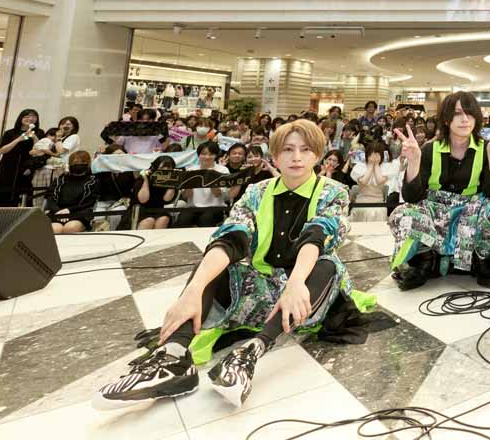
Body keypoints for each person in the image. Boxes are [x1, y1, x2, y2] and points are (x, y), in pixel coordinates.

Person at [94, 119, 375, 411]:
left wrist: (295, 283)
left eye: (305, 150)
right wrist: (194, 289)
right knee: (213, 260)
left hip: (305, 294)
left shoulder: (334, 192)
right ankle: (175, 356)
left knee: (327, 264)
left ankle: (250, 352)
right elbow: (232, 237)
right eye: (288, 149)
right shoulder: (257, 191)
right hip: (260, 289)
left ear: (316, 155)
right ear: (275, 157)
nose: (296, 157)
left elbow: (318, 235)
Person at [388, 91, 490, 289]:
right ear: (446, 119)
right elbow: (413, 197)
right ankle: (425, 260)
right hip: (435, 214)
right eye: (457, 114)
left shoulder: (486, 148)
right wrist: (413, 162)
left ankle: (481, 259)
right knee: (401, 214)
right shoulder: (431, 149)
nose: (464, 119)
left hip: (470, 216)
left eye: (469, 113)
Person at [43, 151, 98, 233]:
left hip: (80, 212)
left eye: (82, 162)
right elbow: (50, 198)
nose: (78, 164)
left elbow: (90, 202)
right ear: (70, 164)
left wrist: (69, 210)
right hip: (57, 211)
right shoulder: (61, 179)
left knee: (70, 228)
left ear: (88, 163)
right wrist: (58, 211)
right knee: (55, 229)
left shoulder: (93, 180)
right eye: (75, 162)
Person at [0, 108, 43, 206]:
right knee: (3, 193)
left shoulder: (39, 132)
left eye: (33, 117)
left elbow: (39, 150)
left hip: (26, 168)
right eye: (27, 116)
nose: (30, 119)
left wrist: (34, 136)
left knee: (21, 195)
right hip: (7, 167)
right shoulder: (10, 132)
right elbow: (2, 150)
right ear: (21, 118)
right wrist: (19, 138)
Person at [351, 142, 398, 221]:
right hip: (362, 201)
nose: (374, 156)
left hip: (378, 201)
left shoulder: (386, 167)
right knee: (363, 211)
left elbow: (379, 181)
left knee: (378, 211)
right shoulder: (360, 166)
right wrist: (370, 166)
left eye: (377, 154)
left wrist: (376, 165)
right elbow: (363, 182)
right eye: (371, 154)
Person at [136, 155, 179, 231]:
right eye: (163, 167)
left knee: (164, 219)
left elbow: (167, 199)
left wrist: (173, 181)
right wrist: (146, 180)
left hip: (158, 210)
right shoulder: (144, 177)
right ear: (156, 166)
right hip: (141, 210)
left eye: (169, 167)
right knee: (149, 221)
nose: (165, 169)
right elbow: (143, 200)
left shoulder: (170, 180)